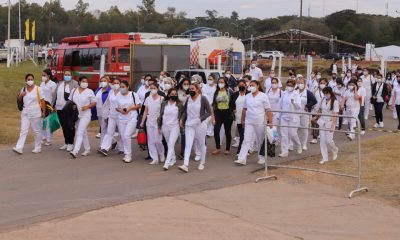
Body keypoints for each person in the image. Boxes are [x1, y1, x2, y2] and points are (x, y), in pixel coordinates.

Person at [234, 80, 272, 165]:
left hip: (260, 122)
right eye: (250, 85)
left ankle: (261, 157)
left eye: (253, 85)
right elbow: (244, 109)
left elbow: (268, 110)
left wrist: (270, 122)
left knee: (260, 140)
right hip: (249, 121)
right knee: (246, 139)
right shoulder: (247, 96)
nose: (251, 87)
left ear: (258, 86)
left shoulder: (263, 96)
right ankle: (242, 158)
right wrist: (242, 120)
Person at [178, 83, 213, 173]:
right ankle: (185, 165)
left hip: (200, 125)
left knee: (201, 144)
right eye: (190, 89)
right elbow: (185, 111)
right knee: (188, 144)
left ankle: (202, 162)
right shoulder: (188, 99)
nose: (191, 90)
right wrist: (182, 119)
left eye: (193, 89)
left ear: (197, 89)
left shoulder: (203, 98)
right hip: (189, 125)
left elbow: (209, 112)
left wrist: (200, 119)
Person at [13, 74, 46, 154]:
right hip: (25, 112)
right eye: (28, 79)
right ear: (26, 80)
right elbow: (19, 99)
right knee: (23, 130)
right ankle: (19, 147)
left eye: (31, 79)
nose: (30, 80)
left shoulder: (38, 89)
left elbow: (42, 101)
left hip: (35, 112)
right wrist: (21, 95)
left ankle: (38, 147)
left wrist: (43, 111)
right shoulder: (23, 89)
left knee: (36, 131)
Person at [69, 76, 96, 158]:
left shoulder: (89, 91)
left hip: (86, 115)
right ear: (79, 82)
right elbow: (70, 101)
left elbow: (94, 102)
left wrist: (87, 107)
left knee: (80, 132)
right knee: (83, 132)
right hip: (76, 115)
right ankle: (87, 149)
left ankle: (75, 151)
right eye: (83, 81)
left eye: (86, 82)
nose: (85, 83)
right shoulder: (74, 90)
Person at [115, 80, 142, 163]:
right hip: (121, 118)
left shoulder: (134, 94)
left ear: (127, 87)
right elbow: (116, 107)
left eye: (123, 87)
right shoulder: (118, 95)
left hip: (132, 117)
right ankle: (126, 154)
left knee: (127, 135)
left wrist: (129, 109)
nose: (122, 88)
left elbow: (139, 105)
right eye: (120, 87)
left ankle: (128, 155)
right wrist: (121, 110)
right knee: (123, 136)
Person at [158, 88, 184, 170]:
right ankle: (173, 158)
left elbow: (183, 115)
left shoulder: (179, 104)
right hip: (165, 126)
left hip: (175, 127)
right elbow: (161, 115)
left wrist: (181, 122)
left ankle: (167, 163)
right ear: (168, 95)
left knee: (171, 144)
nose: (174, 95)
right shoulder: (164, 103)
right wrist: (159, 126)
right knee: (169, 144)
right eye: (172, 94)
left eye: (175, 94)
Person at [312, 86, 339, 164]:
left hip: (330, 122)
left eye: (327, 93)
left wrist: (332, 125)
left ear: (330, 93)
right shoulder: (322, 100)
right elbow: (320, 110)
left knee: (329, 140)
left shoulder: (335, 101)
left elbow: (335, 114)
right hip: (322, 122)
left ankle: (335, 150)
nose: (326, 94)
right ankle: (324, 158)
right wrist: (316, 117)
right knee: (322, 140)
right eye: (324, 93)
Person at [140, 83, 165, 165]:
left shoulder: (162, 99)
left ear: (158, 88)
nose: (152, 90)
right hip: (149, 122)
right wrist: (142, 121)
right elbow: (145, 111)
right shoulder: (148, 99)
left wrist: (161, 121)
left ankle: (161, 154)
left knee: (158, 140)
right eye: (151, 88)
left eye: (154, 88)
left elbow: (163, 112)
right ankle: (154, 158)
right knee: (151, 141)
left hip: (158, 122)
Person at [54, 71, 79, 151]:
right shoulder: (59, 83)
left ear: (71, 75)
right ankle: (66, 142)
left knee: (70, 126)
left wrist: (75, 105)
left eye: (69, 75)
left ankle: (71, 143)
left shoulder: (75, 83)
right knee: (64, 126)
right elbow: (55, 95)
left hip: (69, 108)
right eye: (66, 74)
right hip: (59, 108)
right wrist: (52, 105)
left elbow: (77, 95)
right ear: (63, 75)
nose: (67, 76)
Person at [98, 78, 123, 156]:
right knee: (109, 132)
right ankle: (104, 148)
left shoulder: (123, 93)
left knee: (121, 133)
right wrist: (105, 115)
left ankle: (122, 149)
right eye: (114, 83)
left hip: (121, 116)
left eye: (117, 83)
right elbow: (107, 104)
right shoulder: (111, 92)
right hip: (111, 116)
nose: (116, 84)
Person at [278, 79, 302, 158]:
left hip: (293, 117)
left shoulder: (296, 94)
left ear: (294, 86)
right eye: (288, 85)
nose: (289, 87)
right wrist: (278, 115)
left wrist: (294, 102)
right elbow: (280, 104)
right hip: (284, 117)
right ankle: (284, 151)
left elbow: (299, 107)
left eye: (291, 85)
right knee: (284, 135)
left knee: (292, 134)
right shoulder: (284, 93)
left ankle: (298, 144)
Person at [212, 77, 234, 155]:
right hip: (218, 113)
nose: (220, 83)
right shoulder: (216, 91)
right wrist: (213, 116)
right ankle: (218, 148)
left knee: (227, 131)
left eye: (222, 82)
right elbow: (213, 104)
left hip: (227, 113)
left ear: (225, 83)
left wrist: (232, 111)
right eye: (219, 82)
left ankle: (227, 148)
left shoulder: (229, 91)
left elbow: (233, 102)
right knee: (216, 130)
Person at [297, 77, 317, 151]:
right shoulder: (295, 92)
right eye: (299, 83)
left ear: (305, 84)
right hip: (295, 113)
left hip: (305, 113)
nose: (300, 84)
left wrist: (307, 106)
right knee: (293, 129)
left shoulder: (308, 93)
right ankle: (291, 144)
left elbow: (314, 101)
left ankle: (304, 144)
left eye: (302, 83)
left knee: (304, 129)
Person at [40, 69, 57, 146]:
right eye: (42, 75)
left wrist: (53, 106)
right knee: (42, 122)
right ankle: (43, 137)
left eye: (44, 75)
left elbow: (54, 96)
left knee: (48, 123)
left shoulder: (53, 84)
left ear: (49, 76)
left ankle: (49, 139)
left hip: (49, 105)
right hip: (42, 104)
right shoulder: (42, 84)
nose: (43, 77)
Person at [231, 80, 249, 155]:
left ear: (245, 85)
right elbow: (231, 104)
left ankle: (241, 151)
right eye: (240, 84)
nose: (241, 86)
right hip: (238, 117)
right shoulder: (235, 94)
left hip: (248, 117)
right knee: (242, 134)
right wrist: (233, 109)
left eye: (243, 84)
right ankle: (244, 150)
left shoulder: (249, 94)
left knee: (244, 135)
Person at [310, 78, 328, 144]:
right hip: (315, 109)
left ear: (326, 83)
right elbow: (312, 96)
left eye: (324, 83)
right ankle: (314, 138)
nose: (322, 84)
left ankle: (319, 135)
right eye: (321, 83)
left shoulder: (328, 91)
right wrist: (316, 89)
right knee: (314, 123)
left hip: (324, 110)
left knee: (320, 123)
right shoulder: (317, 90)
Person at [94, 76, 112, 143]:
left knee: (103, 130)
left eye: (105, 81)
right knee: (104, 128)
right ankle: (113, 142)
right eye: (101, 81)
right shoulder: (98, 90)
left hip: (107, 113)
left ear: (108, 82)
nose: (103, 82)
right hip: (99, 112)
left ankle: (102, 146)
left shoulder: (110, 91)